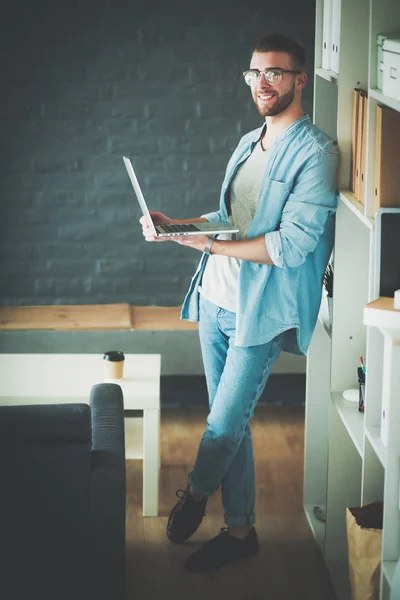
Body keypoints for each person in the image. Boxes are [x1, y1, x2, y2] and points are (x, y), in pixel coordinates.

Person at [140, 32, 339, 573]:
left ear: (300, 79)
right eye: (255, 74)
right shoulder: (250, 142)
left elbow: (291, 245)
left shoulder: (316, 153)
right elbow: (234, 215)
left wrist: (206, 242)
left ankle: (196, 494)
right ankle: (242, 529)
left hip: (262, 311)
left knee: (223, 425)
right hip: (216, 297)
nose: (262, 83)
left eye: (275, 73)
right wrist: (179, 225)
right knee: (232, 421)